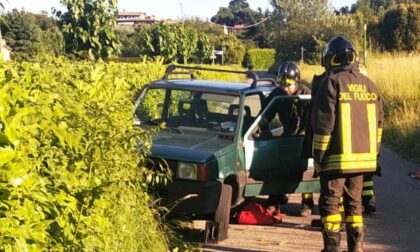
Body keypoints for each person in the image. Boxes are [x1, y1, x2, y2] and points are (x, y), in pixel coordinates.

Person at [311, 36, 383, 252]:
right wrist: (374, 155)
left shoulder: (330, 83)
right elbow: (378, 126)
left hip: (335, 160)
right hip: (364, 161)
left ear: (329, 59)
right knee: (355, 203)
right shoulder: (371, 85)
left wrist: (319, 156)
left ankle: (331, 248)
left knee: (330, 202)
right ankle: (357, 248)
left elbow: (324, 125)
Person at [260, 61, 314, 215]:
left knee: (306, 169)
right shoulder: (277, 94)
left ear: (297, 82)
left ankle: (307, 202)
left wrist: (304, 135)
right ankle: (275, 199)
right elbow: (265, 115)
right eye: (282, 83)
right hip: (287, 135)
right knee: (277, 164)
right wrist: (264, 130)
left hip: (304, 137)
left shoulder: (307, 95)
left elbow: (313, 120)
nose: (284, 88)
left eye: (288, 84)